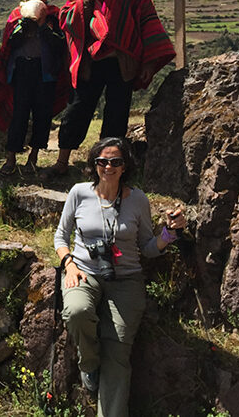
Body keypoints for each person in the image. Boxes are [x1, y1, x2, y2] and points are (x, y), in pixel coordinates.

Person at [53, 137, 186, 416]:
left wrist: (170, 233)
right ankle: (88, 364)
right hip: (84, 271)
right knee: (77, 311)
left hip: (126, 279)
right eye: (102, 161)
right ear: (94, 164)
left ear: (125, 166)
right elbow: (60, 236)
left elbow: (148, 248)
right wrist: (69, 264)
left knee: (117, 354)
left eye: (115, 161)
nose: (108, 167)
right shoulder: (79, 193)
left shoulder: (138, 200)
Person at [52, 0, 175, 175]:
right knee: (78, 109)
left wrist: (149, 61)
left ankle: (106, 163)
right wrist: (86, 2)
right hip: (90, 62)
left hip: (122, 62)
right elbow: (65, 20)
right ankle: (61, 161)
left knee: (117, 113)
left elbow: (147, 24)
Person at [0, 0, 68, 175]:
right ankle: (10, 157)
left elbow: (60, 45)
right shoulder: (17, 16)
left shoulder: (54, 16)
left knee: (42, 115)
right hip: (22, 71)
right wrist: (25, 25)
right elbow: (9, 43)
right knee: (18, 114)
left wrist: (44, 25)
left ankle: (34, 156)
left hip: (46, 73)